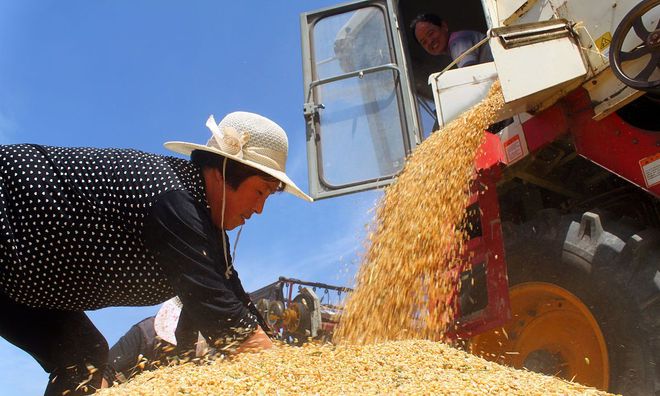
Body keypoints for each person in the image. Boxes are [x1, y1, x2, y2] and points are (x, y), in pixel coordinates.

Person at [0, 111, 312, 395]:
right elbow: (220, 311)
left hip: (20, 287)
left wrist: (278, 353)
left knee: (83, 359)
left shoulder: (207, 234)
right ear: (225, 170)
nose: (259, 209)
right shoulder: (174, 201)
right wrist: (287, 380)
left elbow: (233, 300)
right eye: (259, 192)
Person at [410, 13, 493, 68]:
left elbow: (470, 74)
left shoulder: (457, 42)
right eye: (424, 42)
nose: (430, 41)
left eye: (431, 33)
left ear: (444, 26)